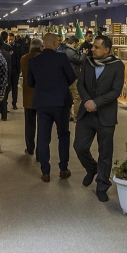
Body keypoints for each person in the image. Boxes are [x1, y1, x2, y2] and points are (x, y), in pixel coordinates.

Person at [73, 35, 124, 202]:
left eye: (96, 47)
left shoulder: (117, 65)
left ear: (106, 50)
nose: (92, 49)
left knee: (105, 153)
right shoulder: (88, 62)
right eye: (93, 46)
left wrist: (96, 103)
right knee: (79, 146)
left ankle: (102, 186)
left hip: (106, 116)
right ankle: (92, 168)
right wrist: (87, 100)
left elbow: (116, 91)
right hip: (86, 114)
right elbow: (80, 84)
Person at [27, 33, 76, 183]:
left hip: (42, 103)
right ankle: (63, 169)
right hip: (61, 102)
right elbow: (72, 76)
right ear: (55, 43)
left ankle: (45, 172)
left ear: (44, 44)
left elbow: (30, 82)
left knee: (43, 137)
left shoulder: (34, 61)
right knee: (63, 135)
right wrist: (61, 86)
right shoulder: (62, 58)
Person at [21, 38, 44, 159]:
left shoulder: (24, 59)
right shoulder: (44, 59)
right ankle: (40, 153)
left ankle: (30, 148)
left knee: (29, 124)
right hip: (41, 97)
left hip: (28, 97)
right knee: (42, 126)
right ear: (41, 47)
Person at [59, 36, 84, 121]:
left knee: (69, 97)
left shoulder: (65, 50)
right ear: (74, 43)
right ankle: (76, 115)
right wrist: (84, 54)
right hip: (73, 77)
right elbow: (80, 60)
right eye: (77, 44)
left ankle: (69, 115)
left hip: (67, 77)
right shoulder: (70, 51)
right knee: (76, 97)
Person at [0, 33, 12, 120]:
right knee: (4, 97)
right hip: (5, 78)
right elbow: (9, 68)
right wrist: (8, 80)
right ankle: (4, 116)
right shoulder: (6, 54)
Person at [7, 33, 22, 109]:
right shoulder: (5, 47)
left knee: (14, 87)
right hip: (7, 70)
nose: (10, 41)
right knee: (7, 87)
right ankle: (5, 103)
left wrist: (20, 69)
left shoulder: (18, 47)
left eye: (12, 39)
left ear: (14, 39)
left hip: (15, 69)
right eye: (9, 39)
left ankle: (14, 103)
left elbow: (20, 57)